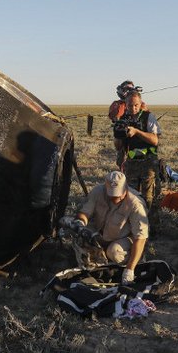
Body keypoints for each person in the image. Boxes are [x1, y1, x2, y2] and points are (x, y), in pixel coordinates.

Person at [68, 170, 149, 281]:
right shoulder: (97, 192)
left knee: (114, 252)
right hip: (100, 233)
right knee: (80, 238)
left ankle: (134, 260)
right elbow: (85, 213)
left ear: (125, 188)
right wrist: (80, 224)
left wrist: (130, 269)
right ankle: (99, 261)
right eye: (111, 195)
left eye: (118, 195)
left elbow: (140, 237)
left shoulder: (136, 204)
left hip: (124, 238)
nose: (115, 198)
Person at [115, 90, 162, 218]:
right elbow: (118, 146)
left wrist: (137, 132)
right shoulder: (123, 120)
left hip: (148, 162)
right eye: (130, 105)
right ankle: (134, 223)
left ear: (141, 104)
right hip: (131, 163)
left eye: (136, 105)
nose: (133, 108)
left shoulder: (148, 117)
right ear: (126, 104)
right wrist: (119, 134)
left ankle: (150, 225)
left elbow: (155, 140)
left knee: (149, 198)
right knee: (131, 197)